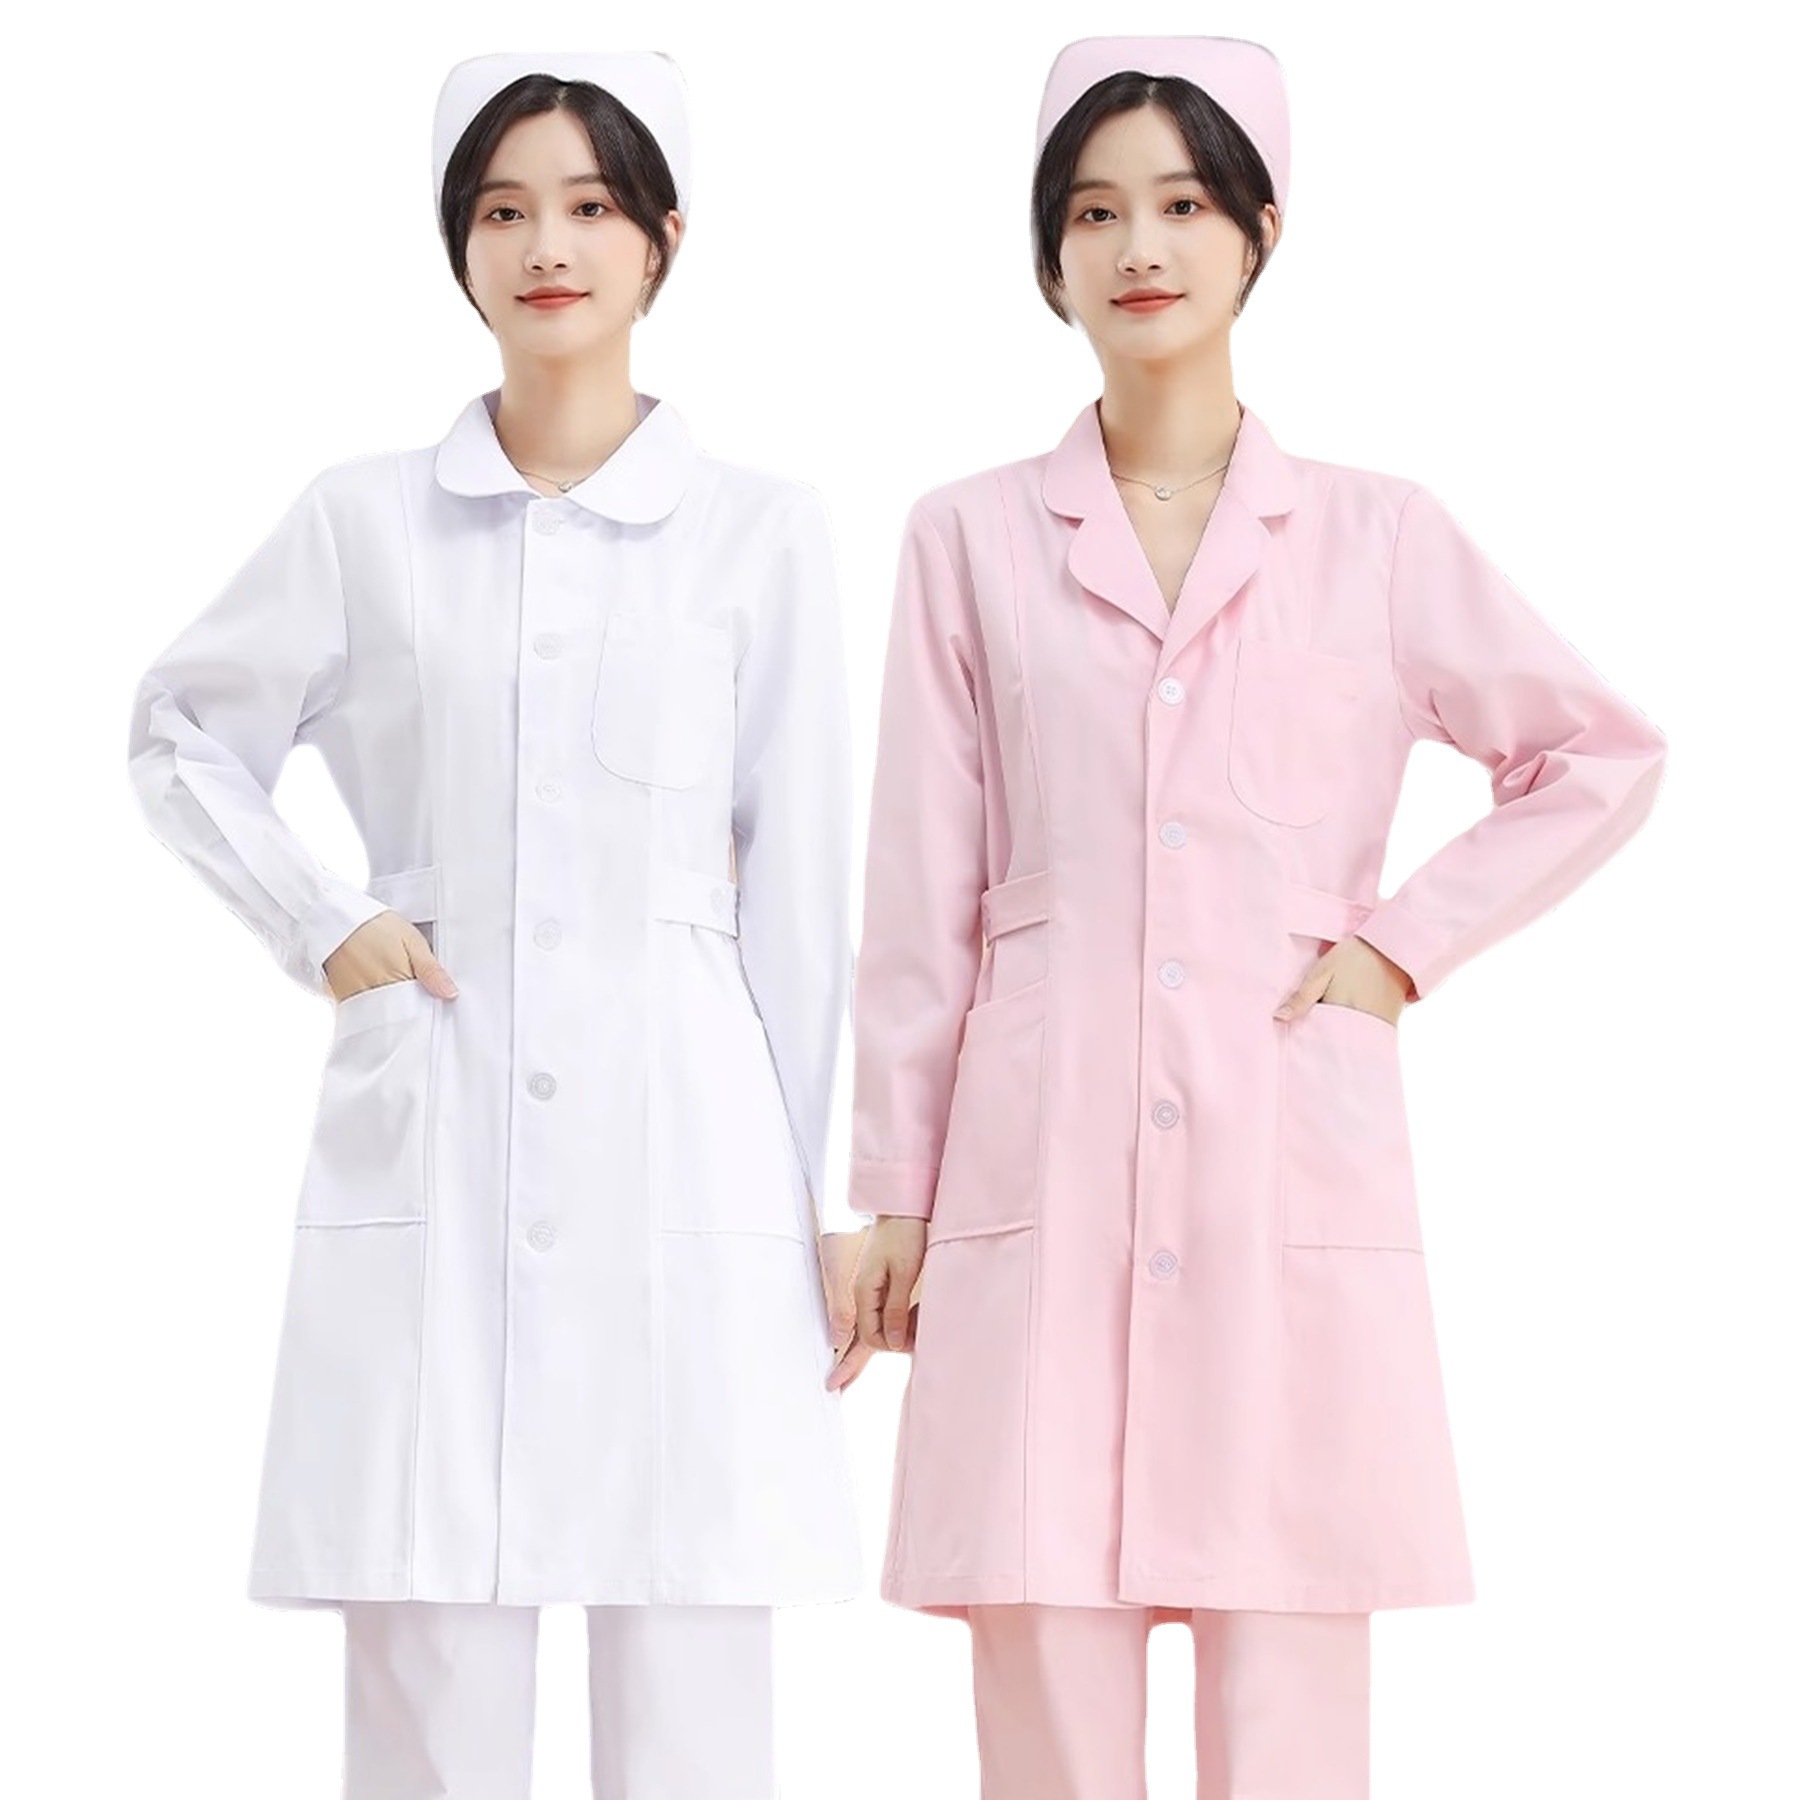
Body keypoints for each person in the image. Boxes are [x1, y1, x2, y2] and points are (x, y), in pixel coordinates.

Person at [831, 33, 1669, 1800]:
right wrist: (893, 1191)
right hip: (1039, 1178)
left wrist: (1400, 949)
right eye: (1093, 213)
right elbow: (920, 892)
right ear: (1048, 256)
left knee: (1289, 1711)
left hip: (1281, 1164)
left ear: (1259, 232)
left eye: (1184, 204)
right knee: (1048, 1710)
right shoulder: (967, 540)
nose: (1140, 247)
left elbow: (1597, 753)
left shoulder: (1375, 536)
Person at [127, 49, 867, 1800]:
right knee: (431, 1692)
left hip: (690, 1163)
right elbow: (179, 730)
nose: (549, 246)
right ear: (458, 244)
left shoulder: (762, 534)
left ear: (665, 238)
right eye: (504, 210)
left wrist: (815, 1206)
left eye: (593, 206)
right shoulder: (363, 520)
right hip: (440, 1138)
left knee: (692, 1696)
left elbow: (804, 891)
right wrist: (325, 923)